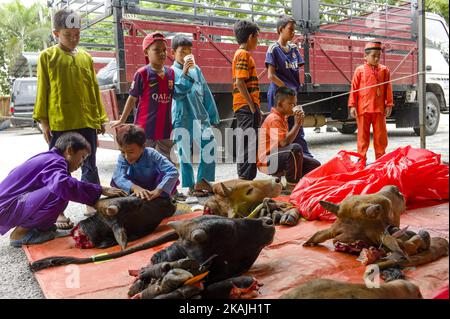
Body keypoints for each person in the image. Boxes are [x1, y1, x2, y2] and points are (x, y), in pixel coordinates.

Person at [33, 9, 109, 229]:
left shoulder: (86, 57)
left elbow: (94, 89)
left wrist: (100, 118)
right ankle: (58, 212)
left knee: (90, 164)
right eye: (68, 35)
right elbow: (43, 89)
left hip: (86, 121)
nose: (74, 39)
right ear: (56, 33)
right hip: (61, 122)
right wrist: (44, 121)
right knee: (59, 169)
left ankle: (91, 202)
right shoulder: (47, 57)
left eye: (77, 34)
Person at [0, 133, 126, 247]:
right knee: (59, 190)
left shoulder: (50, 158)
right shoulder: (55, 161)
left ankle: (36, 228)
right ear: (69, 150)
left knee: (64, 186)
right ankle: (21, 234)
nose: (82, 163)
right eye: (82, 157)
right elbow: (62, 185)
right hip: (6, 209)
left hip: (10, 206)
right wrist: (100, 190)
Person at [110, 32, 192, 200]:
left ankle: (170, 191)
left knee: (167, 161)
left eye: (164, 50)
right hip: (144, 127)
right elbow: (132, 97)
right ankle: (134, 189)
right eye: (157, 50)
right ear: (146, 52)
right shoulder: (142, 73)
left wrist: (185, 75)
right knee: (139, 160)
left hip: (165, 127)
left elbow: (177, 94)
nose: (162, 53)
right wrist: (122, 120)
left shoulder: (170, 73)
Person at [170, 34, 220, 197]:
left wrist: (213, 116)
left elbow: (205, 92)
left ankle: (202, 181)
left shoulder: (196, 70)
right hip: (182, 117)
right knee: (185, 153)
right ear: (173, 53)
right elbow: (177, 94)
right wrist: (184, 74)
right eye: (182, 52)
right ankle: (190, 185)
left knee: (209, 144)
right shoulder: (171, 72)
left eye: (189, 51)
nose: (186, 55)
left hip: (200, 116)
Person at [265, 15, 316, 160]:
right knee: (280, 127)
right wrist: (287, 90)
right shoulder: (273, 49)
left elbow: (297, 70)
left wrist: (294, 92)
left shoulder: (294, 48)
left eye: (294, 30)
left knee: (296, 124)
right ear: (280, 29)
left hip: (292, 95)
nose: (293, 33)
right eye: (290, 30)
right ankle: (279, 161)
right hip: (280, 95)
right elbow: (271, 76)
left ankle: (304, 157)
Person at [258, 87, 321, 192]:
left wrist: (298, 124)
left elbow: (285, 143)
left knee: (314, 165)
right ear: (280, 103)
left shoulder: (283, 117)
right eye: (291, 104)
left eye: (295, 104)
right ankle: (291, 187)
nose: (294, 107)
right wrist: (297, 124)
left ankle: (300, 184)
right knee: (295, 149)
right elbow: (284, 143)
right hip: (267, 162)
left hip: (276, 156)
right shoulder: (274, 119)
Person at [348, 41, 394, 161]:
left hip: (379, 109)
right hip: (363, 109)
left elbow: (388, 87)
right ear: (365, 56)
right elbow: (354, 88)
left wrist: (389, 104)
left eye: (379, 56)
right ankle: (361, 159)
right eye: (374, 56)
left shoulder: (385, 70)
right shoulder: (360, 70)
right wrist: (352, 105)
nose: (377, 58)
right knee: (362, 137)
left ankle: (380, 160)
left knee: (380, 137)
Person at [111, 124, 179, 203]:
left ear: (143, 147)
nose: (126, 156)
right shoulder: (122, 157)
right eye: (122, 152)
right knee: (115, 181)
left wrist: (158, 190)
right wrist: (134, 187)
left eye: (131, 152)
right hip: (135, 186)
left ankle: (159, 198)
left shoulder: (151, 153)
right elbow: (118, 177)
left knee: (167, 176)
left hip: (154, 186)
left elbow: (173, 171)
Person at [232, 20, 261, 180]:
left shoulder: (242, 54)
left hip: (246, 105)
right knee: (247, 143)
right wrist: (251, 106)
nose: (258, 41)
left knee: (249, 142)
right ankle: (244, 179)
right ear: (251, 37)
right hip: (245, 106)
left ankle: (247, 178)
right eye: (257, 37)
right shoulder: (243, 54)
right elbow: (240, 82)